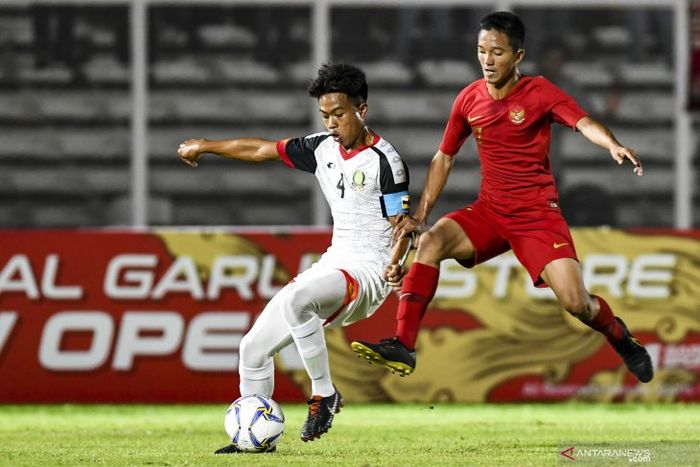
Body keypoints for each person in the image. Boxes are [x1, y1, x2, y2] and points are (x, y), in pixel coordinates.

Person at [351, 11, 654, 385]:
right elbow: (443, 157)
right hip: (490, 212)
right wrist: (422, 215)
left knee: (578, 303)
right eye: (481, 51)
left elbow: (583, 121)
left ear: (518, 56)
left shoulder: (540, 92)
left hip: (537, 217)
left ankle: (621, 338)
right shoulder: (469, 99)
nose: (487, 60)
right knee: (430, 242)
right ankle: (403, 345)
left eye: (496, 52)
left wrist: (612, 143)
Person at [177, 63, 411, 452]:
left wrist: (397, 260)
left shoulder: (385, 161)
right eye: (325, 115)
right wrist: (207, 145)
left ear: (362, 110)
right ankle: (255, 443)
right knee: (252, 349)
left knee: (300, 301)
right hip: (334, 263)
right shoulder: (321, 148)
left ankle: (324, 395)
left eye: (339, 114)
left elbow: (401, 223)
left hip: (368, 272)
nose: (332, 123)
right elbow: (261, 149)